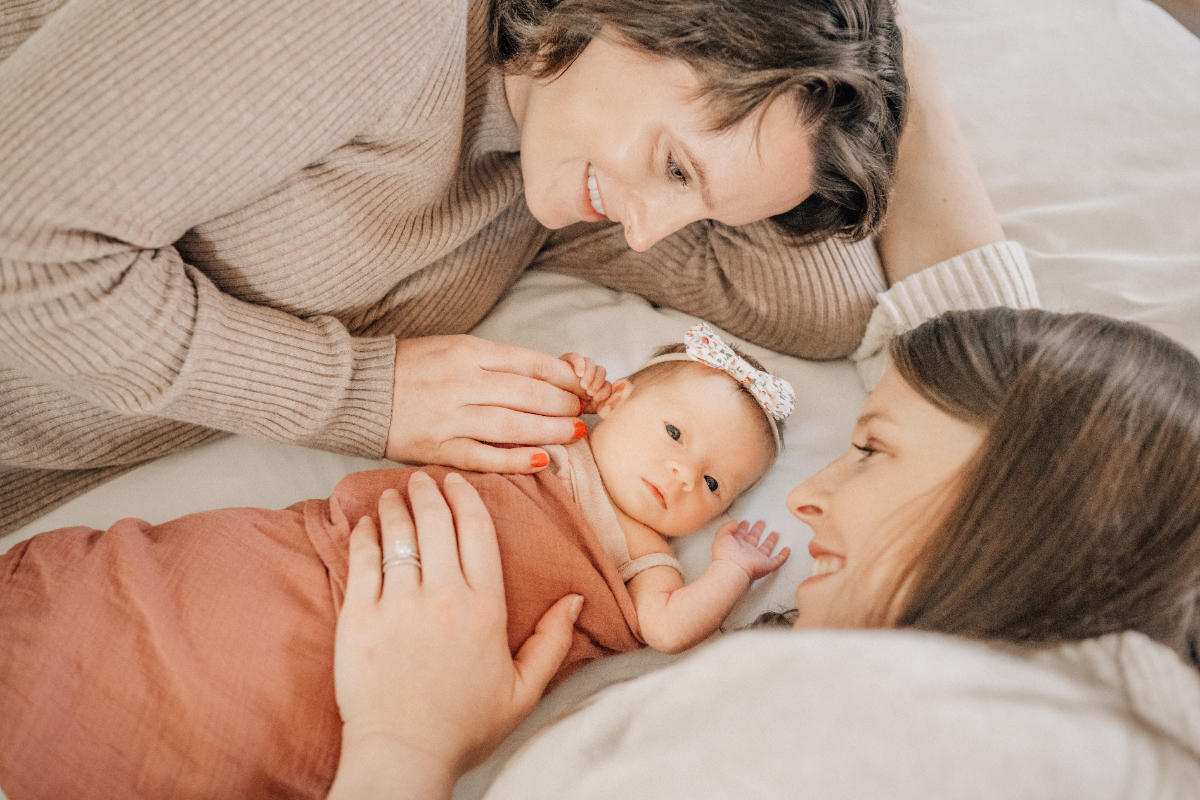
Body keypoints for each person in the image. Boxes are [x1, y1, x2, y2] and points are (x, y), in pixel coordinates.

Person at [319, 25, 1200, 800]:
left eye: (870, 449)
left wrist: (404, 752)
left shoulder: (913, 739)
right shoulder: (1034, 710)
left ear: (1028, 509)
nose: (807, 493)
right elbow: (869, 322)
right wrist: (871, 69)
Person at [0, 0, 907, 536]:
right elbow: (25, 250)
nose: (649, 234)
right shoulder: (374, 24)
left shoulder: (547, 170)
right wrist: (366, 397)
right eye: (675, 167)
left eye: (702, 208)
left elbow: (824, 301)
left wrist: (866, 61)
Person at [0, 326, 795, 797]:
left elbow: (666, 627)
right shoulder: (556, 436)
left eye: (715, 484)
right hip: (324, 557)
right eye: (675, 435)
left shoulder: (641, 555)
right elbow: (513, 397)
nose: (684, 475)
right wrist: (574, 387)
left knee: (249, 713)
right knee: (174, 591)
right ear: (616, 401)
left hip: (395, 660)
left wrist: (728, 571)